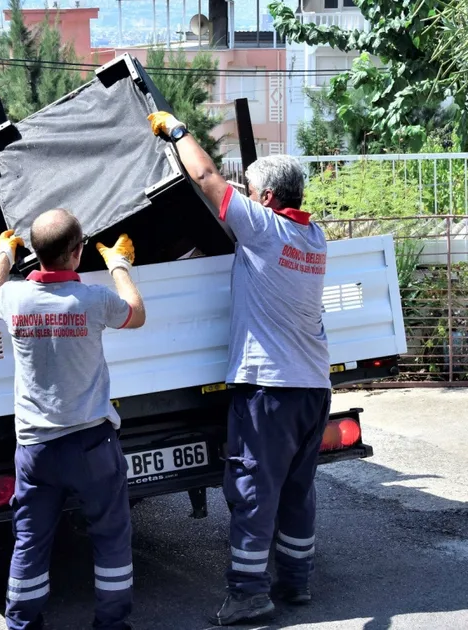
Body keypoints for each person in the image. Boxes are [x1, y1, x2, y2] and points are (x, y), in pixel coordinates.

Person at [149, 112, 332, 625]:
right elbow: (227, 187)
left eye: (251, 191)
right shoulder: (312, 237)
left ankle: (249, 593)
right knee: (297, 489)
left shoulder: (264, 231)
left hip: (269, 390)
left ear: (268, 200)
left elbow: (206, 180)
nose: (244, 196)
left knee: (254, 490)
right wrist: (243, 189)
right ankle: (296, 584)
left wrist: (179, 133)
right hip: (312, 387)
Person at [0, 210, 146, 630]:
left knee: (31, 541)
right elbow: (136, 312)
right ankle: (111, 624)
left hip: (36, 448)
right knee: (110, 536)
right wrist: (119, 266)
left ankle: (22, 623)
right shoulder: (93, 299)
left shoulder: (14, 298)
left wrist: (4, 254)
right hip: (92, 444)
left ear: (35, 254)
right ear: (78, 253)